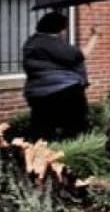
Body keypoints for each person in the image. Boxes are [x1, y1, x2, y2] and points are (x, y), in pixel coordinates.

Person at [22, 12, 96, 141]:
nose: (65, 31)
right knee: (74, 129)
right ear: (59, 28)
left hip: (37, 92)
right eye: (65, 28)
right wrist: (95, 36)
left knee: (43, 131)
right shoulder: (49, 42)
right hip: (62, 92)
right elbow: (80, 55)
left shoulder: (33, 41)